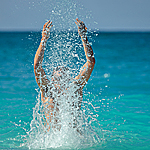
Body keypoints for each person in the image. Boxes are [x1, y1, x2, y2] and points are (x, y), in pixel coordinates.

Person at [34, 18, 95, 130]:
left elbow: (90, 63)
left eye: (64, 77)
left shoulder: (75, 88)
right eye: (58, 78)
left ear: (69, 78)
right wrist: (44, 39)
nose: (62, 80)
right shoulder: (47, 90)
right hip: (52, 142)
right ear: (52, 79)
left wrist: (83, 37)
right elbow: (37, 66)